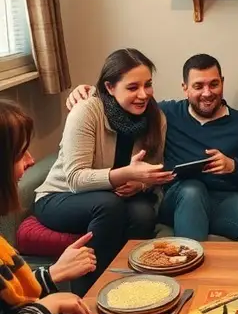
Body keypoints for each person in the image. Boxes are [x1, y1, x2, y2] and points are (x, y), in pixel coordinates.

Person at [67, 53, 238, 243]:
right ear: (185, 88)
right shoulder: (165, 114)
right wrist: (88, 91)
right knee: (193, 189)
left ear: (222, 83)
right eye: (198, 86)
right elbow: (121, 97)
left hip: (226, 199)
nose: (207, 93)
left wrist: (233, 166)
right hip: (179, 196)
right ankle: (189, 276)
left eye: (214, 84)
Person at [35, 49, 173, 295]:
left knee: (143, 213)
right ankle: (86, 294)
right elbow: (75, 178)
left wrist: (140, 184)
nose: (144, 95)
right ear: (110, 87)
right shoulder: (87, 111)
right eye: (133, 88)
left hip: (115, 197)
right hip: (60, 197)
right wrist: (127, 174)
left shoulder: (156, 118)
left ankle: (133, 286)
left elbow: (151, 172)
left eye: (148, 85)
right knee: (108, 205)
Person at [0, 99, 92, 314]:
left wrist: (51, 275)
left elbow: (9, 300)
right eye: (20, 154)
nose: (30, 161)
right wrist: (49, 305)